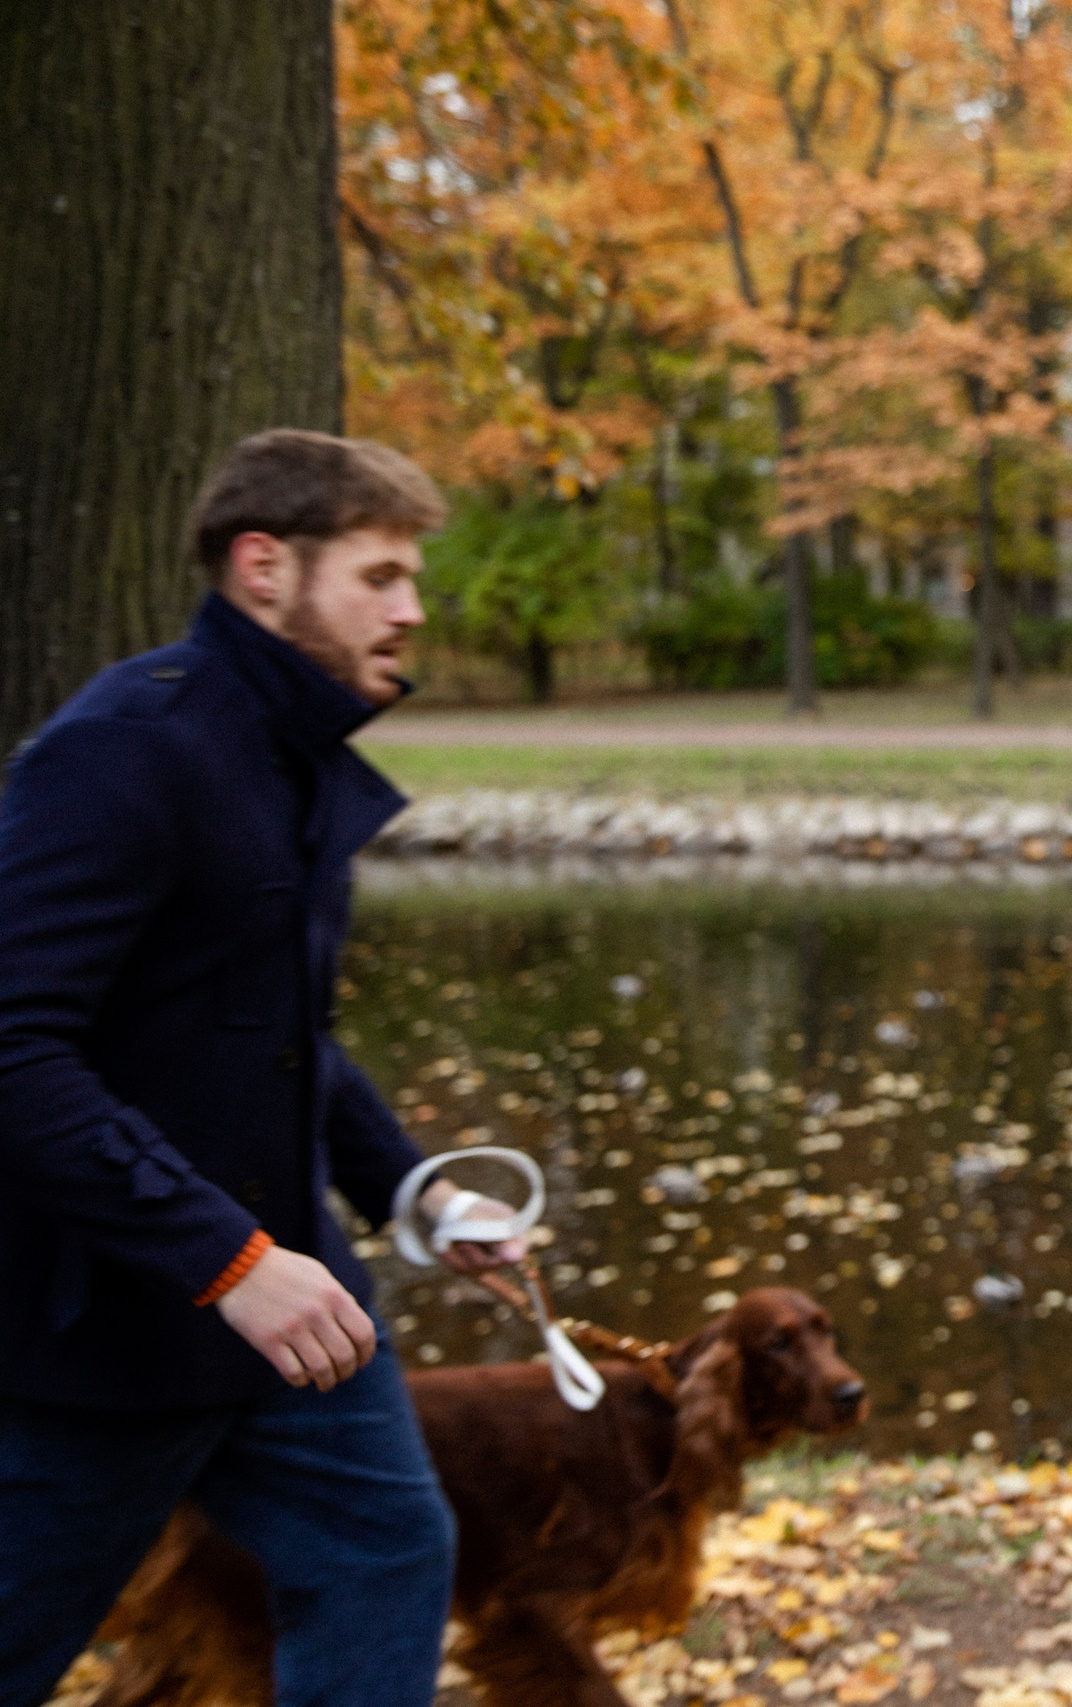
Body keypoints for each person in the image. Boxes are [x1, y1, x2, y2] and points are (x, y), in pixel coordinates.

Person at [0, 430, 525, 1707]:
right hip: (101, 1324)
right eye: (380, 577)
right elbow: (12, 1044)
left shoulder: (298, 763)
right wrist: (224, 1262)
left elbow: (282, 1040)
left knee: (388, 1549)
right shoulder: (126, 747)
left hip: (293, 1310)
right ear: (262, 568)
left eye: (413, 581)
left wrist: (419, 1193)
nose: (411, 611)